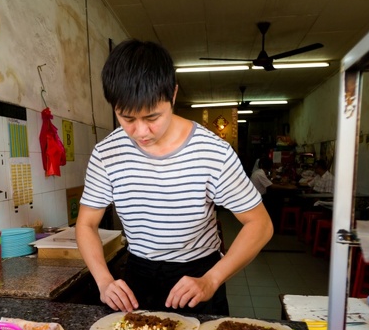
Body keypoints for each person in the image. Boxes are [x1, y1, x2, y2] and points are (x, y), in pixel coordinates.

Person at [76, 39, 274, 315]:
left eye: (152, 117)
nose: (141, 131)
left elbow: (260, 225)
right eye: (127, 119)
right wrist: (104, 280)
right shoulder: (106, 153)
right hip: (138, 278)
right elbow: (86, 224)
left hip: (198, 276)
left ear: (173, 95)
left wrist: (212, 279)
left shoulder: (213, 152)